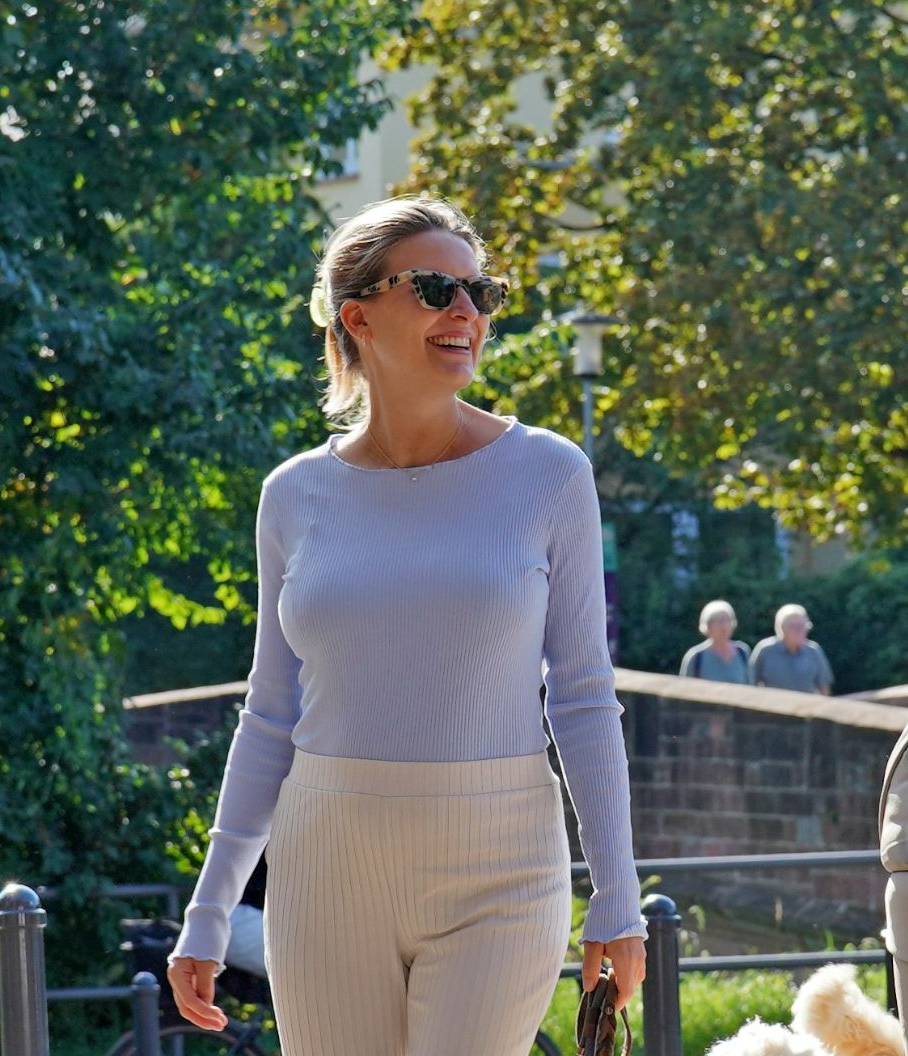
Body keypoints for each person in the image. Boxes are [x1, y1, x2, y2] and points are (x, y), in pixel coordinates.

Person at [166, 194, 646, 1055]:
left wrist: (618, 894)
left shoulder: (548, 474)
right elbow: (270, 714)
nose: (467, 313)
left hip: (502, 867)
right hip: (323, 870)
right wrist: (208, 913)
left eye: (481, 293)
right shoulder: (293, 495)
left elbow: (582, 697)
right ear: (358, 316)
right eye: (435, 289)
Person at [749, 603, 834, 695]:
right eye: (794, 626)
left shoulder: (814, 651)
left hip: (805, 708)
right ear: (781, 628)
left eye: (803, 626)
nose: (799, 631)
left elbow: (824, 688)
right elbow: (751, 684)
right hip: (772, 707)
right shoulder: (765, 650)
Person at [679, 599, 752, 684]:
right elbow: (685, 690)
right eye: (720, 621)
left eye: (728, 620)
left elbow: (752, 685)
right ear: (708, 626)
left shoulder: (742, 652)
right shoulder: (696, 657)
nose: (724, 626)